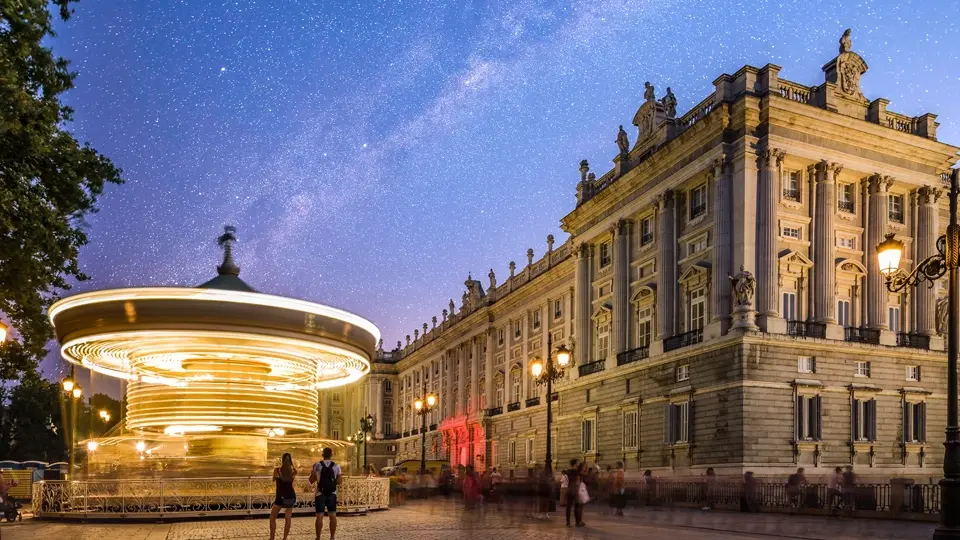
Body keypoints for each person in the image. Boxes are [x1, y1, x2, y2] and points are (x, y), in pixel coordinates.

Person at [309, 447, 342, 540]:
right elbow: (339, 481)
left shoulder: (317, 465)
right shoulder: (336, 466)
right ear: (331, 455)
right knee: (333, 516)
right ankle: (332, 537)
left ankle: (318, 537)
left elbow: (311, 480)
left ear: (322, 455)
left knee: (319, 516)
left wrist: (313, 472)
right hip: (332, 493)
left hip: (320, 493)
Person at [269, 453, 297, 540]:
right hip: (290, 496)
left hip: (280, 497)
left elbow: (273, 479)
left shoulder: (277, 470)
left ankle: (272, 538)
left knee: (272, 517)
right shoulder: (294, 471)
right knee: (288, 518)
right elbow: (291, 482)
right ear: (290, 460)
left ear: (282, 460)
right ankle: (284, 538)